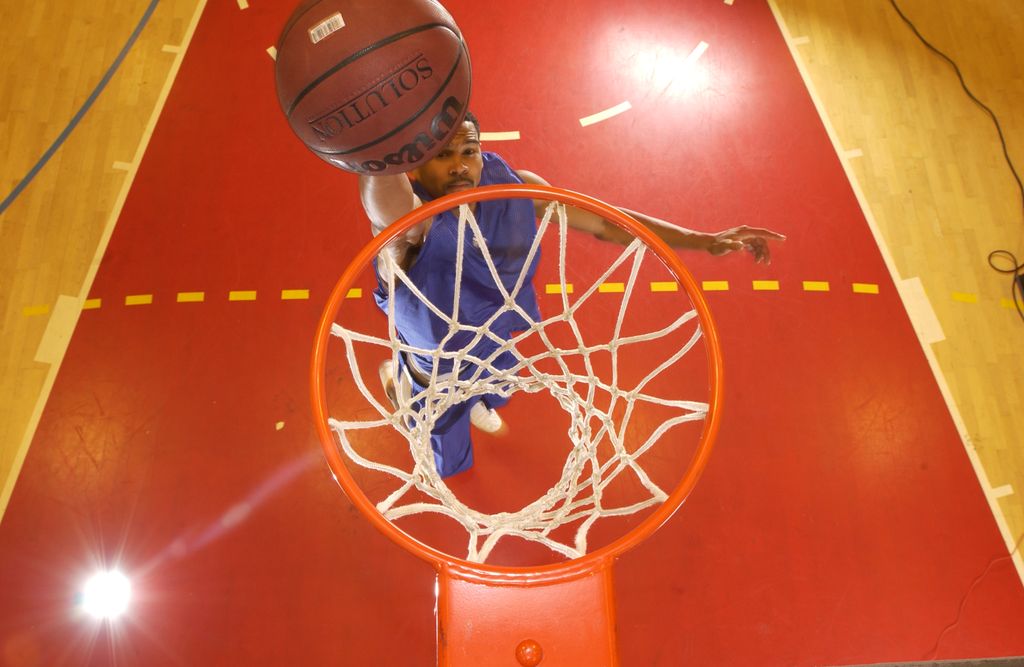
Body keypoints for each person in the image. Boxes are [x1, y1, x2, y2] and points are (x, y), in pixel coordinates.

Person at [360, 111, 784, 478]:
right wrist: (371, 149)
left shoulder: (515, 187)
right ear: (414, 167)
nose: (458, 167)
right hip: (436, 364)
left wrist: (700, 239)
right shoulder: (410, 228)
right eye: (441, 155)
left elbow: (606, 224)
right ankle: (399, 382)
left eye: (467, 151)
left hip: (495, 338)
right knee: (447, 461)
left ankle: (471, 397)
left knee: (494, 389)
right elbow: (386, 208)